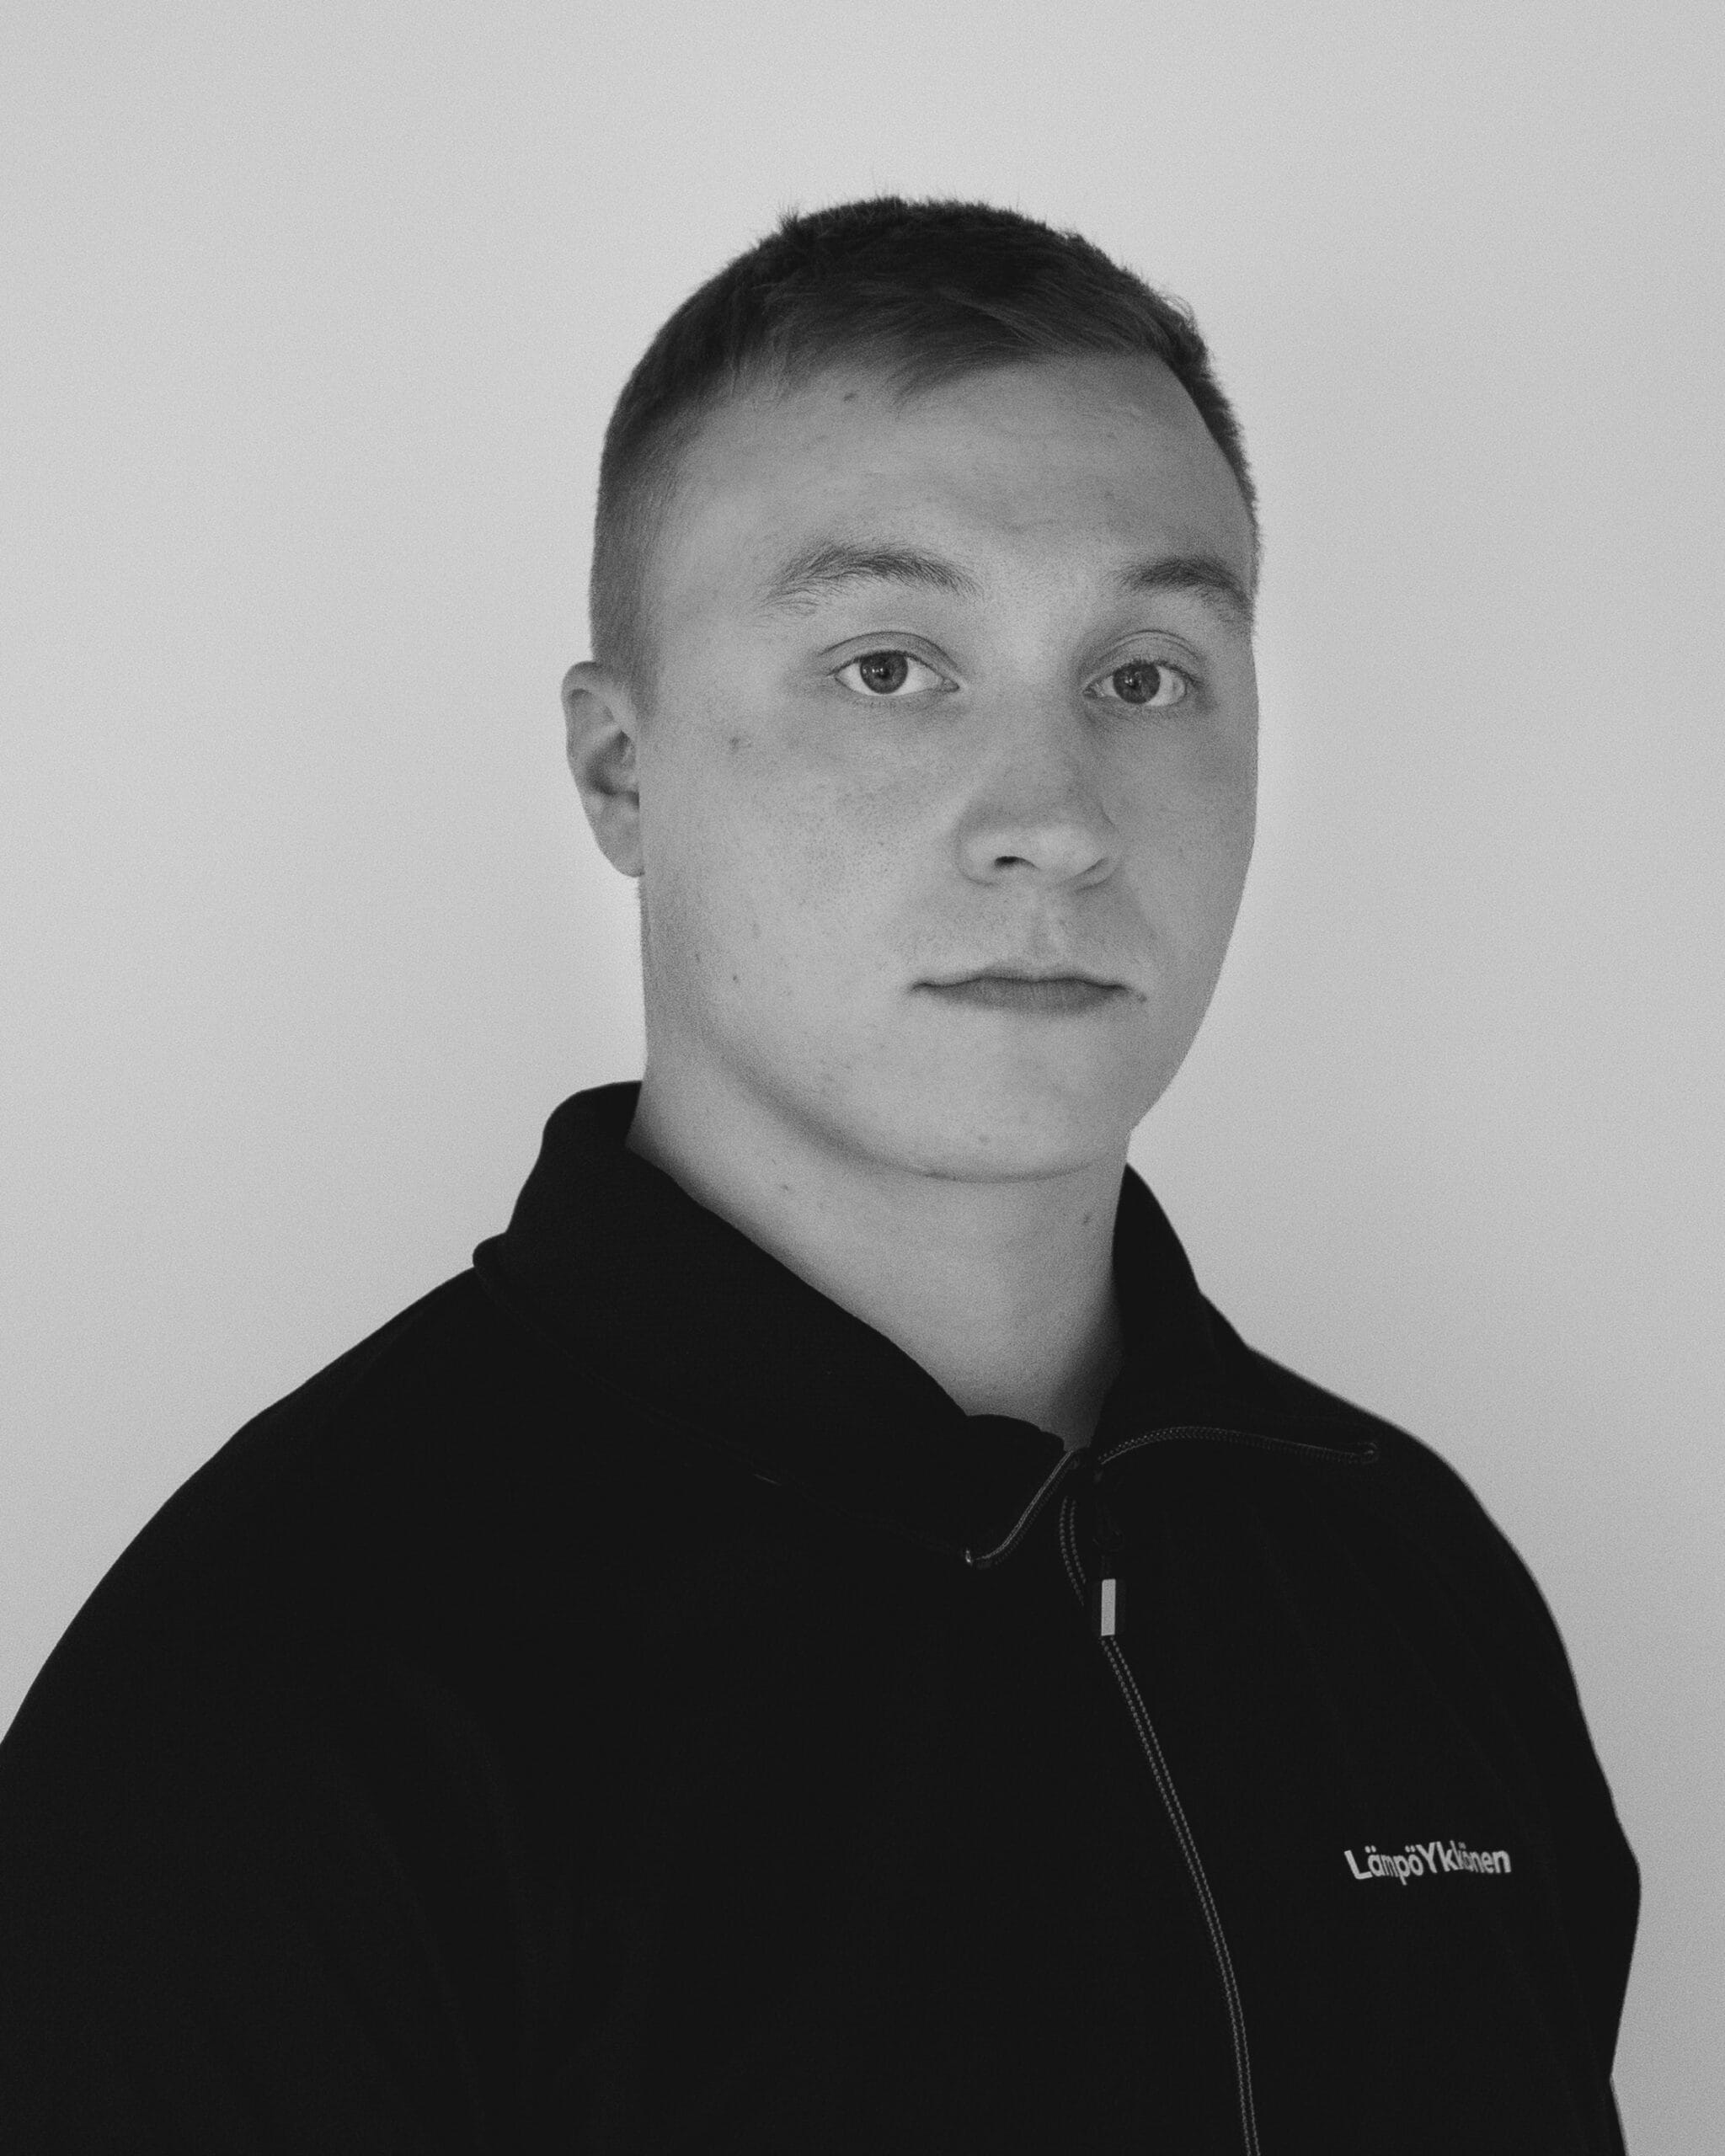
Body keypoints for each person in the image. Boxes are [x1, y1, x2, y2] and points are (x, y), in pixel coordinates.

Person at [0, 195, 1637, 2153]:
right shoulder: (271, 1702)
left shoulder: (1404, 1577)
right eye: (887, 665)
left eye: (1142, 675)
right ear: (620, 770)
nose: (1054, 820)